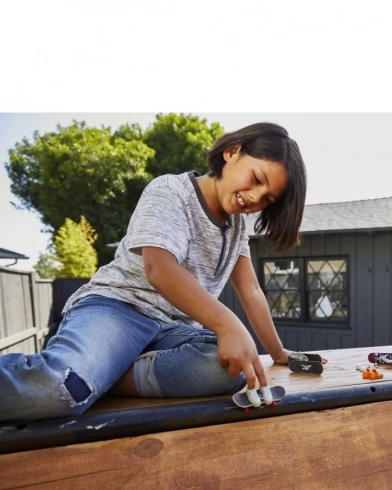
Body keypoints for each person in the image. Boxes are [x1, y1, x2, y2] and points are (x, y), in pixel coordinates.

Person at [0, 123, 307, 422]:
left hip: (171, 333)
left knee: (230, 366)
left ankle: (104, 375)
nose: (255, 198)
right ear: (232, 152)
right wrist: (228, 323)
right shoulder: (171, 191)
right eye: (256, 179)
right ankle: (86, 373)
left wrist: (276, 351)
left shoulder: (236, 228)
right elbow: (159, 268)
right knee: (63, 389)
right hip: (118, 309)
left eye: (268, 198)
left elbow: (251, 290)